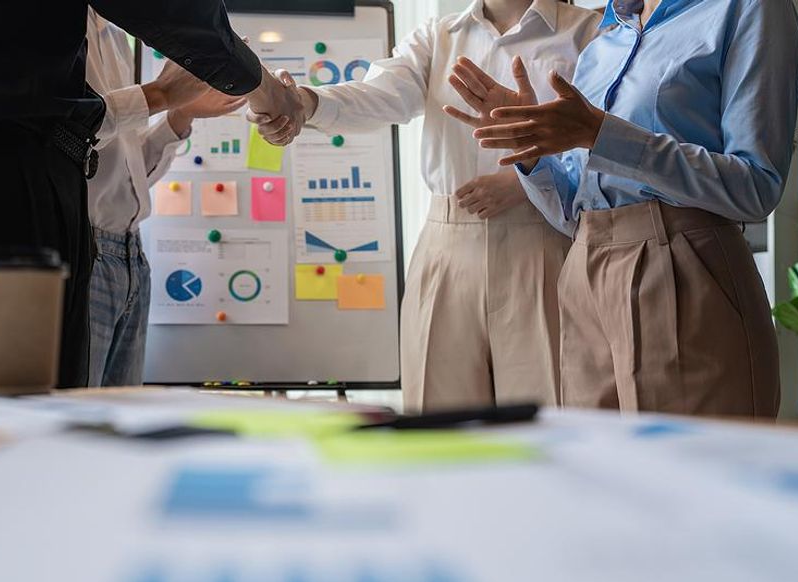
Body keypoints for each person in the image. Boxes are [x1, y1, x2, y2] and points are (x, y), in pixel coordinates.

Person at [0, 1, 303, 389]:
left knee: (42, 430)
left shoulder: (65, 30)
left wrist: (185, 104)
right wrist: (260, 88)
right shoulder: (52, 37)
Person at [448, 0, 798, 417]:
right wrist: (527, 145)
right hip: (584, 271)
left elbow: (756, 185)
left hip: (685, 268)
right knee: (602, 472)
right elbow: (571, 212)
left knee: (685, 473)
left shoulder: (747, 8)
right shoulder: (606, 37)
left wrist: (601, 134)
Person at [255, 0, 599, 412]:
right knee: (438, 409)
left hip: (545, 237)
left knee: (548, 408)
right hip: (447, 243)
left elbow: (604, 138)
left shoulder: (588, 32)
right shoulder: (438, 36)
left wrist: (525, 180)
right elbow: (378, 95)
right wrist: (306, 102)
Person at [84, 10, 246, 387]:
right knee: (74, 423)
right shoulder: (46, 22)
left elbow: (124, 174)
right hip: (83, 251)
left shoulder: (112, 30)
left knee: (118, 430)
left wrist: (179, 114)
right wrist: (158, 95)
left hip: (130, 257)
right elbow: (67, 130)